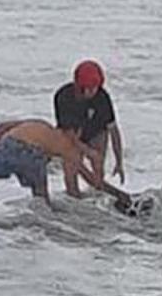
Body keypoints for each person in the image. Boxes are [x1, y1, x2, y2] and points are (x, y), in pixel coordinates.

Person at [0, 119, 99, 214]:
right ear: (76, 133)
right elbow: (85, 174)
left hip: (9, 144)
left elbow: (2, 127)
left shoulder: (40, 124)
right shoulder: (68, 147)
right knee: (41, 197)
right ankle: (43, 222)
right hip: (32, 154)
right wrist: (103, 186)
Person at [53, 59, 126, 194]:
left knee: (98, 164)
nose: (94, 91)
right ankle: (73, 197)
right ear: (79, 86)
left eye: (97, 87)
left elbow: (113, 130)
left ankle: (98, 193)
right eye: (90, 88)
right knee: (71, 169)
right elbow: (68, 134)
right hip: (70, 134)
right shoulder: (63, 97)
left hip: (95, 131)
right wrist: (88, 152)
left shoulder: (102, 97)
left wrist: (119, 162)